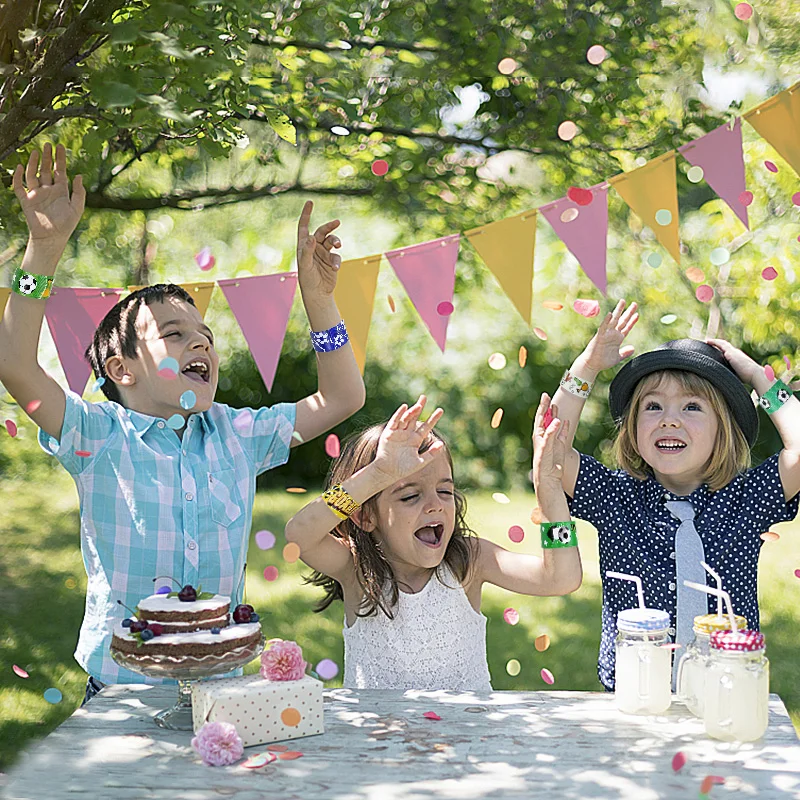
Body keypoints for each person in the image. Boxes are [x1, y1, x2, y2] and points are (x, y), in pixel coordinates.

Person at [0, 144, 366, 701]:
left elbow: (342, 396)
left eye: (206, 337)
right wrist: (44, 250)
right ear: (121, 369)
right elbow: (14, 365)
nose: (200, 342)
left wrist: (318, 299)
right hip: (121, 693)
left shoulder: (239, 434)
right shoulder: (95, 436)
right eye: (173, 334)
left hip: (224, 690)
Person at [551, 299, 800, 691]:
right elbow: (553, 449)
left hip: (728, 687)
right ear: (632, 427)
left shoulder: (746, 498)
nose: (669, 419)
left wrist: (756, 376)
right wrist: (587, 366)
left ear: (724, 429)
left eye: (691, 407)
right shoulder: (617, 498)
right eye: (653, 406)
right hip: (634, 691)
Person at [284, 393, 582, 691]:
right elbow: (299, 535)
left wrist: (550, 489)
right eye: (410, 495)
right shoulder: (356, 571)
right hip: (378, 735)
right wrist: (377, 475)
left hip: (466, 735)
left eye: (445, 491)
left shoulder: (469, 561)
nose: (435, 505)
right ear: (365, 517)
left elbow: (561, 578)